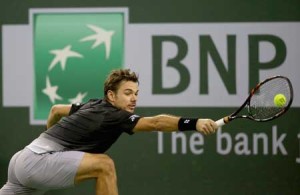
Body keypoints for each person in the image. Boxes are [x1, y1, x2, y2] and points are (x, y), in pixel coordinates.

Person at [0, 69, 218, 195]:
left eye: (136, 93)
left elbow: (55, 110)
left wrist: (50, 143)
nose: (134, 98)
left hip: (20, 161)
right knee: (104, 165)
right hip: (37, 163)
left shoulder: (92, 104)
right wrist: (195, 123)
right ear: (111, 96)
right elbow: (155, 123)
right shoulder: (115, 114)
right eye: (127, 93)